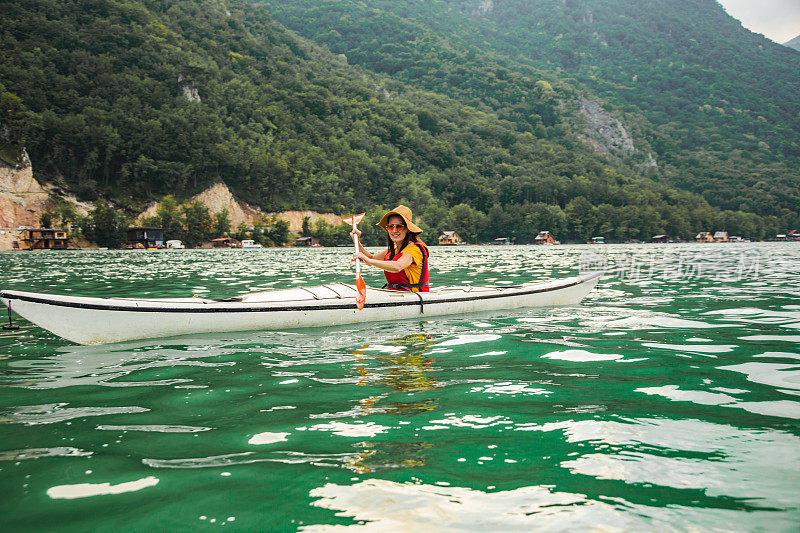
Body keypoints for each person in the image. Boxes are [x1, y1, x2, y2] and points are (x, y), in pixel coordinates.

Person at [351, 205, 430, 292]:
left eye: (399, 226)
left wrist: (369, 261)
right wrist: (356, 240)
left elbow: (398, 266)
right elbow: (371, 258)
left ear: (407, 229)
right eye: (391, 226)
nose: (394, 230)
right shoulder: (394, 250)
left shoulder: (414, 249)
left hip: (414, 295)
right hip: (395, 293)